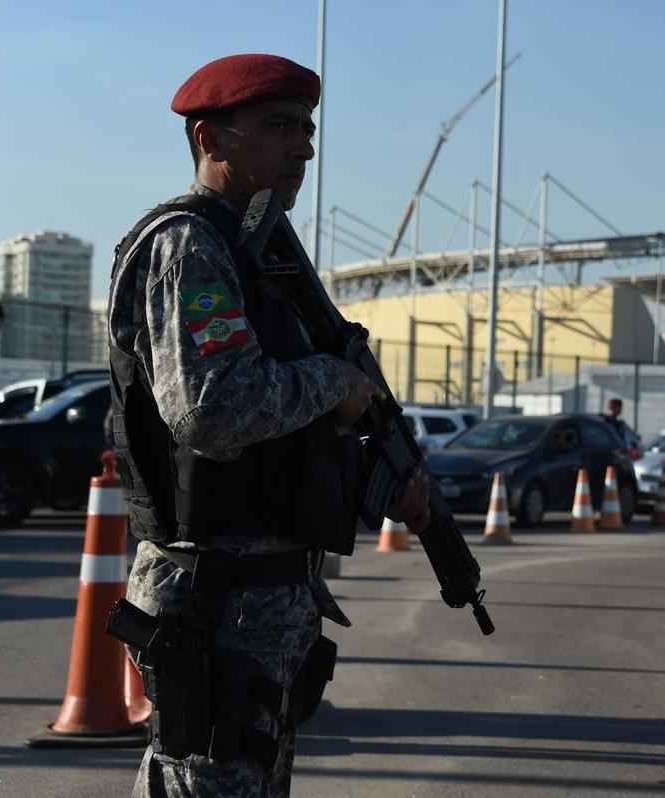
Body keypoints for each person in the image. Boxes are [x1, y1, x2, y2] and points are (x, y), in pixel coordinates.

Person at [106, 54, 430, 797]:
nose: (304, 147)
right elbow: (212, 412)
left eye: (308, 129)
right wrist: (333, 381)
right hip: (213, 600)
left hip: (259, 604)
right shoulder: (190, 246)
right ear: (210, 139)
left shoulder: (260, 252)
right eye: (280, 127)